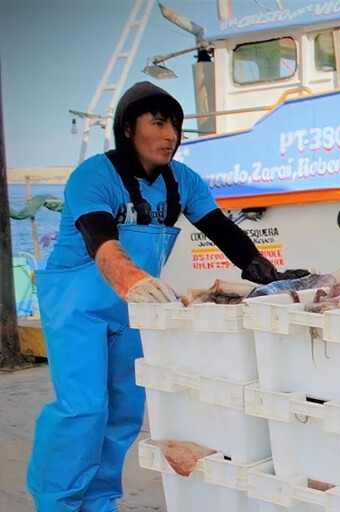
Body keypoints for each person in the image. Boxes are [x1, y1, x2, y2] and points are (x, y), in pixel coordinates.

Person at [27, 81, 308, 511]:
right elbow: (99, 238)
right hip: (77, 307)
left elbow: (222, 230)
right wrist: (131, 279)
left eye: (175, 126)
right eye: (157, 123)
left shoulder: (183, 181)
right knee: (82, 409)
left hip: (134, 310)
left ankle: (100, 502)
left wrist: (267, 273)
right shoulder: (93, 175)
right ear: (127, 129)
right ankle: (58, 503)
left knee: (123, 412)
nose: (169, 135)